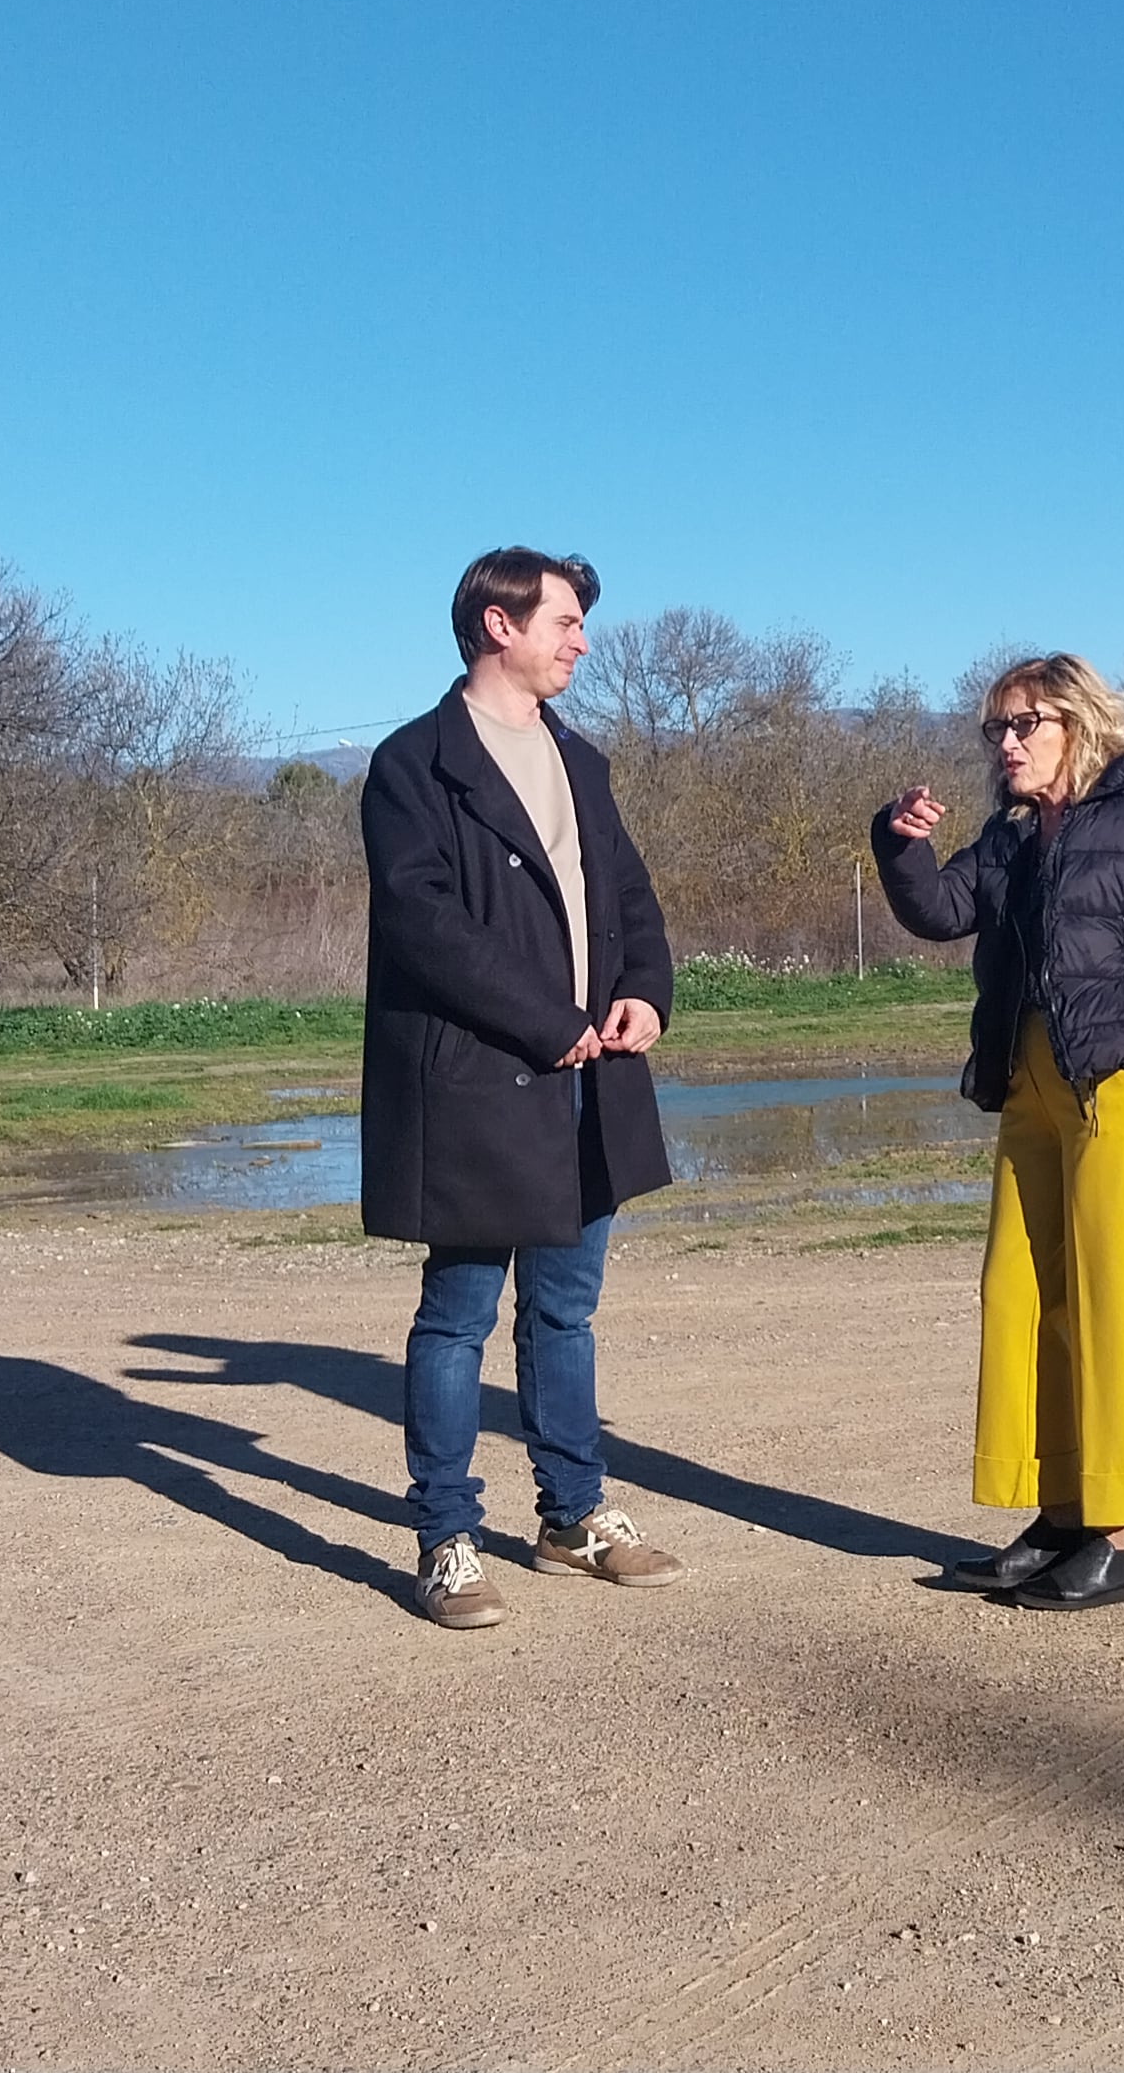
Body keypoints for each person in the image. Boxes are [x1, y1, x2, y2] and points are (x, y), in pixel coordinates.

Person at [871, 654, 1124, 1611]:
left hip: (1118, 1089)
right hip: (1029, 1084)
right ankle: (1059, 1513)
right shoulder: (1011, 838)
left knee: (1106, 1304)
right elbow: (940, 910)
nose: (1005, 744)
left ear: (1079, 725)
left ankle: (1121, 1536)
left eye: (1025, 725)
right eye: (995, 730)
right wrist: (898, 845)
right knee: (1020, 1296)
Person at [357, 548, 685, 1629]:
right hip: (480, 1082)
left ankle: (571, 1514)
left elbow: (629, 896)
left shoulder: (581, 761)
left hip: (593, 1077)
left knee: (566, 1310)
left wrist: (644, 994)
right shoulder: (416, 765)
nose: (580, 639)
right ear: (498, 625)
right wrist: (552, 1024)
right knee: (457, 1314)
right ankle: (446, 1536)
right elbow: (423, 926)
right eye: (564, 620)